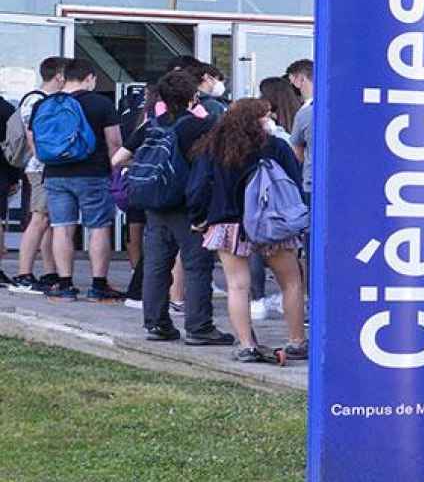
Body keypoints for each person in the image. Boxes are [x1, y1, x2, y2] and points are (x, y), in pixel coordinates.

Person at [109, 69, 230, 346]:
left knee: (155, 265)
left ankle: (156, 324)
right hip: (187, 207)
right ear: (194, 96)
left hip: (154, 206)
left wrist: (151, 170)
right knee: (196, 266)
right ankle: (200, 327)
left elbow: (118, 160)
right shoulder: (201, 126)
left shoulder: (151, 124)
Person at [186, 98, 307, 363]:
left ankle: (246, 344)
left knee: (238, 286)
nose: (270, 120)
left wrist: (199, 218)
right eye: (266, 116)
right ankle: (297, 340)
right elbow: (294, 184)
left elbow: (197, 188)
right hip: (273, 224)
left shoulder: (213, 147)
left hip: (229, 224)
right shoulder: (276, 146)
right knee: (292, 282)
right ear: (258, 120)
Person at [34, 59, 125, 302]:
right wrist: (116, 170)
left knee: (62, 228)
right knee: (98, 227)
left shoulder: (44, 104)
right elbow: (114, 143)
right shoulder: (101, 103)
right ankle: (98, 285)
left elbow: (37, 143)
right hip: (92, 174)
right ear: (90, 78)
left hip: (55, 174)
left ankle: (64, 284)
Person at [7, 56, 65, 293]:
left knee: (47, 222)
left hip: (41, 168)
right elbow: (33, 137)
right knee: (38, 219)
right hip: (39, 168)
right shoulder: (36, 100)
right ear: (59, 75)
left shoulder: (42, 99)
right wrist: (46, 159)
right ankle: (24, 273)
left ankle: (50, 272)